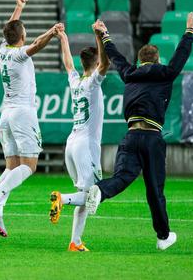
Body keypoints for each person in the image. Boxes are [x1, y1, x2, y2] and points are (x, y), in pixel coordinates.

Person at [84, 14, 193, 251]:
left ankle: (100, 191)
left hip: (130, 136)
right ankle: (163, 236)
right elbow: (181, 56)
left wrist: (105, 35)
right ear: (157, 60)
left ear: (139, 60)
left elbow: (115, 56)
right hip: (152, 138)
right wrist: (188, 31)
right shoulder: (165, 73)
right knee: (154, 190)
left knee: (123, 177)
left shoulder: (129, 73)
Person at [0, 0, 63, 238]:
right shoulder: (19, 54)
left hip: (5, 114)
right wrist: (52, 33)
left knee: (12, 166)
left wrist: (18, 8)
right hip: (22, 113)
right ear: (22, 36)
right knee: (29, 166)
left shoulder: (2, 50)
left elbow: (9, 31)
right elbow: (37, 45)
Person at [49, 21, 109, 252]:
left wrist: (63, 37)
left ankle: (75, 241)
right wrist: (99, 36)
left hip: (71, 143)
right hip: (86, 145)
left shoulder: (75, 81)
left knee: (84, 194)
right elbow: (105, 63)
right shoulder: (93, 83)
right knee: (94, 194)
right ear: (94, 63)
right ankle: (61, 199)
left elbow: (67, 63)